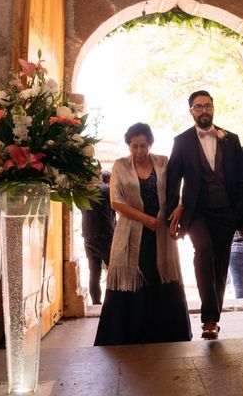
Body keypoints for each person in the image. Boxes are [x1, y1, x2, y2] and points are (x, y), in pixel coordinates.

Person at [94, 123, 191, 346]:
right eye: (134, 146)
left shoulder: (163, 162)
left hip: (160, 233)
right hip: (132, 233)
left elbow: (178, 188)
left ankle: (165, 333)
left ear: (150, 144)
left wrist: (180, 207)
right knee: (133, 279)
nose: (139, 151)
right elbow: (115, 201)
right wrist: (145, 219)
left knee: (160, 276)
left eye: (143, 146)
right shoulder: (119, 165)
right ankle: (129, 334)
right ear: (128, 145)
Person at [166, 90, 243, 340]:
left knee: (221, 263)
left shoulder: (230, 139)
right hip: (197, 211)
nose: (204, 110)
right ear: (191, 111)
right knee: (203, 251)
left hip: (226, 211)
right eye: (198, 106)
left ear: (213, 108)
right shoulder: (181, 141)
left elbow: (242, 179)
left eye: (208, 106)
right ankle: (209, 318)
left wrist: (240, 216)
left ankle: (214, 315)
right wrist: (173, 213)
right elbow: (172, 180)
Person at [80, 169, 115, 305]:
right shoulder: (107, 191)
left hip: (88, 236)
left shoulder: (84, 192)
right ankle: (112, 303)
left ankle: (96, 303)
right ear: (109, 180)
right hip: (105, 236)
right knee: (113, 272)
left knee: (94, 273)